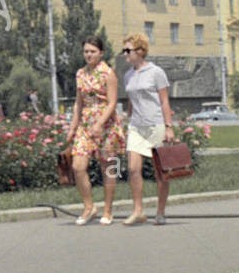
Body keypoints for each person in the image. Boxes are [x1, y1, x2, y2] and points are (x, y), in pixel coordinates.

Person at [66, 37, 124, 225]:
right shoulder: (80, 74)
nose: (89, 55)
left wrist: (99, 123)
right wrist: (73, 126)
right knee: (78, 166)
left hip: (106, 125)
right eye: (86, 51)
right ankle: (89, 206)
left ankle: (108, 210)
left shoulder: (108, 73)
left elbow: (112, 102)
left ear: (101, 53)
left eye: (92, 51)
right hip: (85, 125)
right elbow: (79, 101)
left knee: (108, 169)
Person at [121, 32, 176, 226]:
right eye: (124, 50)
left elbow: (164, 100)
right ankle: (138, 211)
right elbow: (131, 101)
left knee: (160, 172)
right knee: (133, 169)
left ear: (140, 51)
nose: (125, 54)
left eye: (128, 50)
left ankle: (160, 212)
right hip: (136, 126)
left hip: (155, 125)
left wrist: (168, 127)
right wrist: (125, 120)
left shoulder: (156, 72)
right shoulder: (128, 75)